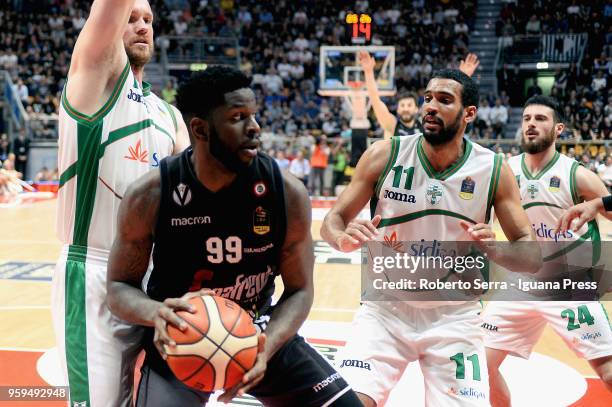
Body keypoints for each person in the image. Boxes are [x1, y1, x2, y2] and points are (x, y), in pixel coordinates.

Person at [106, 66, 361, 406]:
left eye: (254, 115)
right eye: (238, 117)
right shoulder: (150, 195)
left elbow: (300, 291)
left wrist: (264, 347)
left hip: (259, 330)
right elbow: (118, 288)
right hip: (183, 339)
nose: (255, 128)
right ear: (200, 129)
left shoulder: (285, 192)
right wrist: (156, 313)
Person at [321, 69, 540, 406]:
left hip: (455, 317)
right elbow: (332, 220)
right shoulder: (385, 154)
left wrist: (497, 249)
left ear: (469, 113)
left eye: (444, 100)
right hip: (384, 310)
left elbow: (531, 255)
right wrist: (341, 238)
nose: (430, 107)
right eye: (427, 98)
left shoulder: (493, 168)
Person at [53, 1, 190, 406]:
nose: (142, 26)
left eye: (148, 19)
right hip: (94, 273)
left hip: (153, 282)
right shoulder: (92, 82)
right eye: (131, 18)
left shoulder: (170, 116)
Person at [482, 96, 612, 406]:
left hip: (568, 284)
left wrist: (597, 203)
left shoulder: (577, 174)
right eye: (527, 118)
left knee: (607, 373)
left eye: (540, 118)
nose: (531, 124)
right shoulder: (505, 171)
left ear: (558, 129)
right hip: (520, 284)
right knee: (479, 367)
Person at [358, 51, 480, 139]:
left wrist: (464, 76)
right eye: (403, 105)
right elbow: (375, 99)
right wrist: (368, 72)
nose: (405, 108)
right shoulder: (391, 124)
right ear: (398, 109)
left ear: (416, 109)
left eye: (409, 105)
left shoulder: (425, 124)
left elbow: (450, 98)